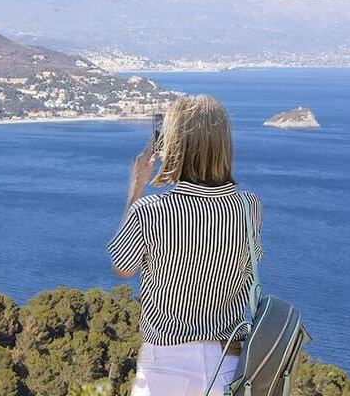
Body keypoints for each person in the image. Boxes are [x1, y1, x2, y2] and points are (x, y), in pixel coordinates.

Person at [108, 95, 263, 396]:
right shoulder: (250, 207)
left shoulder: (152, 210)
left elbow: (122, 267)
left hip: (165, 367)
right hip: (228, 365)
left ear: (173, 147)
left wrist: (137, 185)